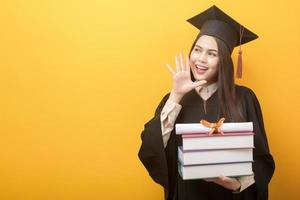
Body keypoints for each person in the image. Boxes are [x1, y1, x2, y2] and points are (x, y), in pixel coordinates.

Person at [138, 5, 275, 200]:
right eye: (197, 50)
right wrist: (176, 95)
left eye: (212, 53)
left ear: (224, 61)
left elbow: (261, 160)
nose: (201, 59)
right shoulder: (175, 99)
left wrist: (237, 184)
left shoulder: (244, 98)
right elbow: (151, 150)